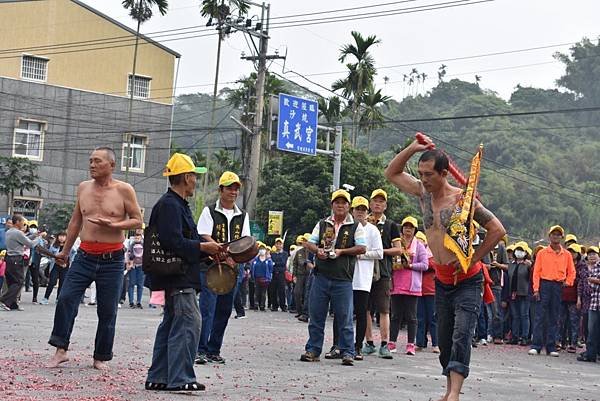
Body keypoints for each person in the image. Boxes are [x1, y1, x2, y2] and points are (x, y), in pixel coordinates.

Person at [385, 136, 506, 401]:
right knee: (444, 339)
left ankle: (454, 394)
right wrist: (414, 148)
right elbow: (391, 173)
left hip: (467, 280)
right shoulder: (422, 195)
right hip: (441, 280)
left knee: (462, 334)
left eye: (429, 174)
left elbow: (497, 230)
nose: (424, 179)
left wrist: (475, 258)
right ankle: (449, 391)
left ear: (443, 173)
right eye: (421, 174)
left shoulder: (463, 201)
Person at [47, 147, 143, 370]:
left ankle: (100, 356)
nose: (91, 165)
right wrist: (65, 251)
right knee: (66, 298)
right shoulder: (83, 188)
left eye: (97, 161)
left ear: (111, 165)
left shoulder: (124, 190)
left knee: (108, 309)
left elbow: (137, 221)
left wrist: (115, 224)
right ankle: (61, 350)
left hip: (113, 258)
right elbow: (75, 222)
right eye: (90, 161)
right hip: (84, 256)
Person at [144, 153, 223, 393]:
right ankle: (180, 377)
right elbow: (172, 241)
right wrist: (202, 247)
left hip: (178, 274)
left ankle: (158, 376)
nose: (195, 181)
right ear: (186, 177)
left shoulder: (176, 204)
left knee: (171, 324)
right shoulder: (170, 205)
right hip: (177, 276)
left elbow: (184, 239)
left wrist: (208, 250)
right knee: (189, 323)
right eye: (194, 177)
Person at [300, 189, 367, 366]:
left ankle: (348, 352)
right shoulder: (322, 224)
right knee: (316, 315)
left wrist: (342, 251)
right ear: (332, 205)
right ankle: (313, 349)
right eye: (337, 202)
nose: (340, 205)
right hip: (321, 275)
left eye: (344, 202)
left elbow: (362, 248)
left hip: (342, 278)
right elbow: (310, 242)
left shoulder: (355, 227)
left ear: (348, 206)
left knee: (345, 317)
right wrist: (318, 251)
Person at [196, 171, 250, 365]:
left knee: (225, 309)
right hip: (211, 265)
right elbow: (203, 234)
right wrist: (220, 250)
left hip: (233, 266)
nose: (233, 192)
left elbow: (245, 241)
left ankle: (214, 349)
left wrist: (234, 258)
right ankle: (199, 349)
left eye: (236, 188)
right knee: (207, 308)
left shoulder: (242, 215)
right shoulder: (209, 211)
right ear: (221, 190)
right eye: (229, 188)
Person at [363, 189, 401, 359]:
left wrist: (380, 251)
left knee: (384, 309)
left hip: (383, 271)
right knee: (365, 308)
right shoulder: (363, 223)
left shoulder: (391, 225)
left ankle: (385, 344)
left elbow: (399, 249)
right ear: (370, 204)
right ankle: (368, 342)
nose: (377, 204)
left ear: (385, 205)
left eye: (381, 201)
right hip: (364, 270)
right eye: (375, 201)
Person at [528, 225, 576, 357]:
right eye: (553, 234)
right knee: (539, 316)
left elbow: (572, 271)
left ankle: (551, 346)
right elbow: (536, 272)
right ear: (549, 236)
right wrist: (536, 289)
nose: (556, 236)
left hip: (558, 285)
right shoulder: (542, 253)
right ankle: (536, 346)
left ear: (562, 237)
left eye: (558, 234)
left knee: (555, 317)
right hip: (544, 285)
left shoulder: (566, 255)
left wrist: (568, 282)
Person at [389, 216, 429, 356]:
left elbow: (425, 265)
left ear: (415, 230)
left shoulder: (419, 245)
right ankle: (391, 342)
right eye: (405, 227)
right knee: (395, 316)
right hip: (397, 284)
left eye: (411, 227)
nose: (408, 229)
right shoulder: (396, 243)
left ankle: (411, 344)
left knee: (412, 317)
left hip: (412, 286)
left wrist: (410, 265)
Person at [350, 196, 383, 360]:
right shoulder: (347, 228)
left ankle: (357, 347)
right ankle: (340, 345)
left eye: (363, 210)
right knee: (344, 313)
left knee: (362, 313)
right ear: (352, 210)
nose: (360, 212)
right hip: (346, 277)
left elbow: (380, 253)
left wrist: (361, 255)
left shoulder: (372, 230)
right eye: (357, 209)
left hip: (363, 279)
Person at [0, 215, 39, 311]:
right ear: (17, 222)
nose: (24, 224)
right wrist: (39, 238)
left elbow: (23, 238)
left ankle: (13, 304)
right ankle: (5, 300)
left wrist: (34, 235)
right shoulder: (17, 233)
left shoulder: (10, 231)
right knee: (19, 281)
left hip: (9, 258)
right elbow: (30, 244)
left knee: (11, 281)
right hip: (16, 259)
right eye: (23, 222)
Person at [506, 242, 533, 346]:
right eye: (517, 250)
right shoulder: (511, 264)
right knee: (515, 316)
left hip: (524, 293)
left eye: (521, 250)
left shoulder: (527, 265)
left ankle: (525, 337)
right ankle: (515, 336)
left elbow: (532, 276)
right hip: (513, 293)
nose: (519, 252)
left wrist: (530, 266)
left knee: (524, 315)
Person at [559, 244, 584, 352]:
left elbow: (581, 283)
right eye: (569, 251)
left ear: (578, 254)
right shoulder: (563, 263)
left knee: (574, 321)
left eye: (574, 252)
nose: (571, 254)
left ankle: (573, 343)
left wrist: (579, 298)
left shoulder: (581, 266)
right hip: (562, 295)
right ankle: (560, 341)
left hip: (574, 297)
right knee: (561, 320)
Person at [578, 246, 600, 362]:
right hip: (593, 303)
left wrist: (594, 281)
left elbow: (592, 282)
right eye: (590, 254)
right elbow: (586, 285)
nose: (592, 256)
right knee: (591, 330)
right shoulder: (590, 268)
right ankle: (591, 354)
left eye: (594, 254)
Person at [41, 232, 70, 304]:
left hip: (65, 267)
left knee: (62, 283)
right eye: (60, 236)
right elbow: (50, 255)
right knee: (52, 282)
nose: (62, 238)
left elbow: (73, 254)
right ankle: (46, 298)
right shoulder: (54, 245)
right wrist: (56, 259)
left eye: (63, 236)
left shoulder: (69, 246)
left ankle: (58, 298)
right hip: (55, 266)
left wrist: (66, 263)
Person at [293, 234, 313, 321]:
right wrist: (294, 275)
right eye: (303, 241)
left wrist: (306, 263)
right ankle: (300, 311)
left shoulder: (312, 252)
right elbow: (295, 264)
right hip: (300, 275)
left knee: (307, 294)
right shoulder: (299, 252)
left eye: (306, 240)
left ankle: (306, 313)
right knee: (297, 293)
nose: (304, 242)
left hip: (309, 275)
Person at [251, 242, 273, 311]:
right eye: (260, 249)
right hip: (257, 278)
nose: (262, 250)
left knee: (263, 293)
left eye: (263, 249)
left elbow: (271, 269)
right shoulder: (255, 260)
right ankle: (256, 305)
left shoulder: (268, 260)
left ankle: (262, 306)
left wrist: (269, 277)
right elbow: (252, 268)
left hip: (265, 279)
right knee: (256, 293)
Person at [126, 230, 145, 309]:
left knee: (140, 285)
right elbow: (128, 254)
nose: (137, 239)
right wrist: (129, 263)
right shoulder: (131, 245)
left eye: (139, 238)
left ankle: (139, 302)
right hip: (133, 266)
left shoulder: (144, 245)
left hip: (141, 266)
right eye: (136, 238)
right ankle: (131, 302)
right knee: (131, 284)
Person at [270, 238, 288, 312]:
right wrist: (275, 263)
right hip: (274, 273)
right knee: (273, 290)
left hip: (281, 273)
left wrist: (275, 263)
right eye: (277, 244)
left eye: (280, 244)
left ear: (282, 245)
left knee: (282, 290)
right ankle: (274, 306)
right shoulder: (272, 254)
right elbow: (271, 263)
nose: (278, 245)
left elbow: (283, 263)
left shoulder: (285, 253)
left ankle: (283, 306)